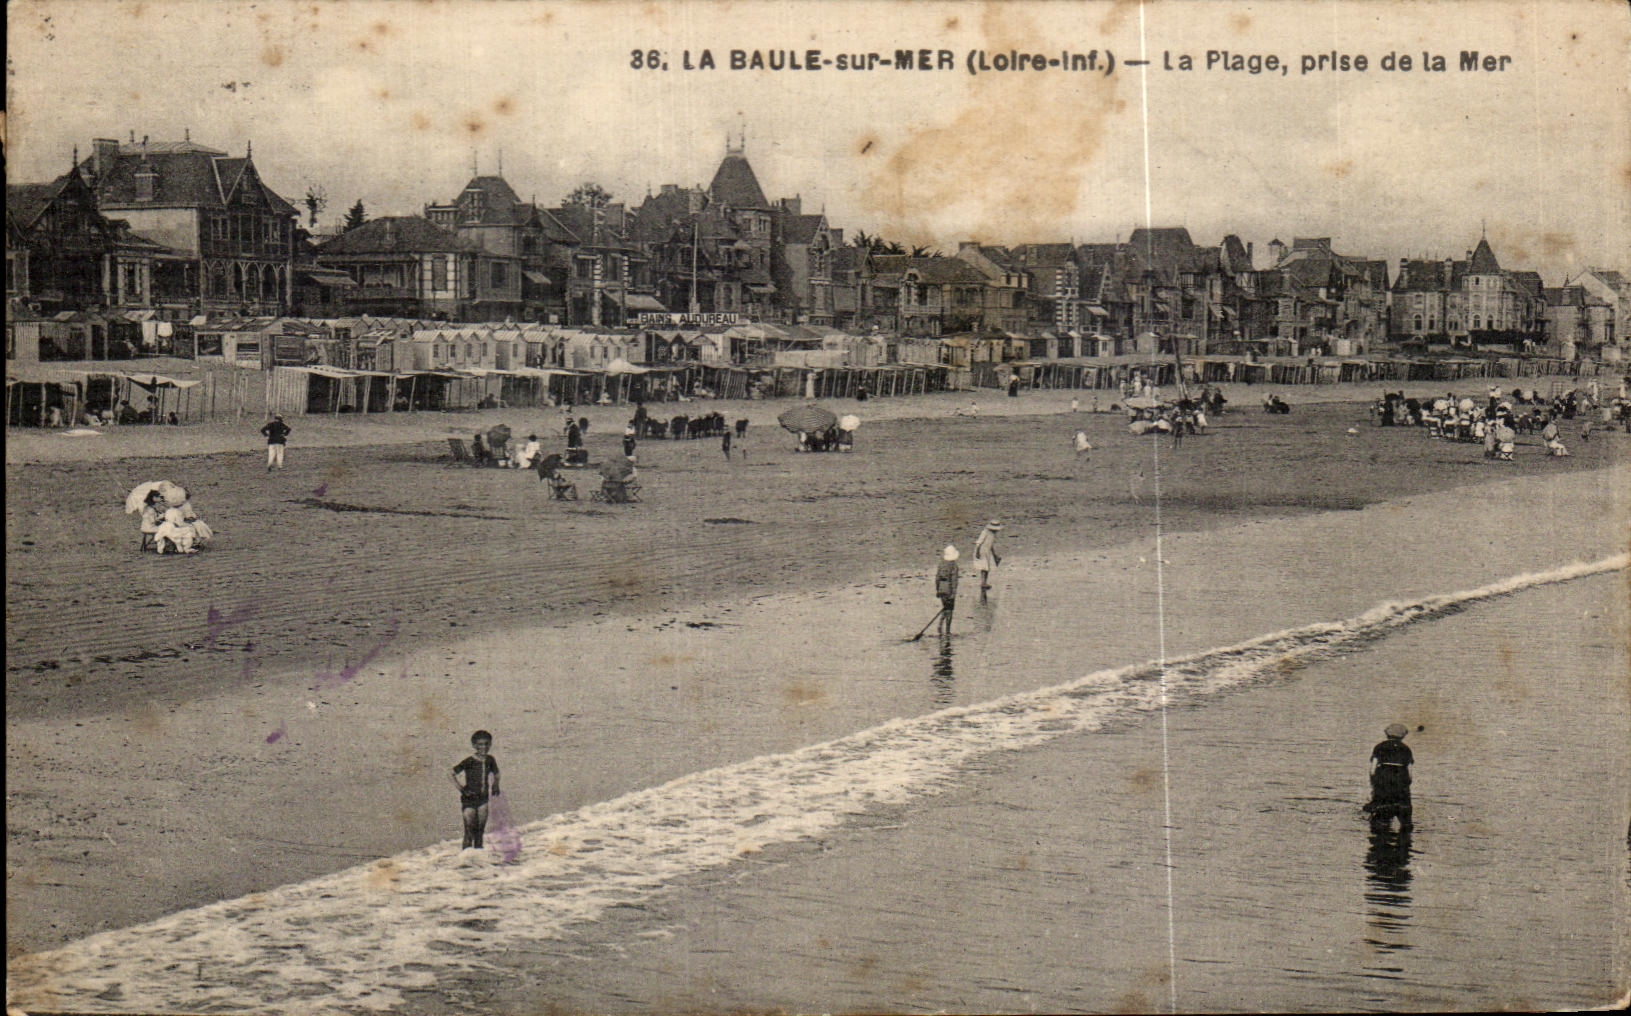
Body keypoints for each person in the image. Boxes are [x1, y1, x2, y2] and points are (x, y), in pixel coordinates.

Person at [450, 730, 500, 850]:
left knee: (480, 832)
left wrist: (496, 785)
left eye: (487, 744)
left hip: (483, 799)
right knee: (469, 831)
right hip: (469, 800)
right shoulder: (469, 761)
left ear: (490, 744)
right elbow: (451, 773)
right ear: (474, 745)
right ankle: (465, 861)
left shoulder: (490, 759)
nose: (484, 747)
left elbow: (497, 773)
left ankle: (478, 863)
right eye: (480, 744)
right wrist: (461, 789)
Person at [1365, 723, 1414, 832]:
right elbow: (1410, 776)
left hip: (1383, 786)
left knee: (1380, 823)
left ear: (1387, 734)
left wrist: (1373, 788)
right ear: (1403, 736)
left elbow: (1372, 771)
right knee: (1406, 824)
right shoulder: (1407, 749)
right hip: (1401, 789)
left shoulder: (1379, 747)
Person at [972, 521, 1002, 600]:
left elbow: (991, 545)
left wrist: (995, 554)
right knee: (984, 567)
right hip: (982, 550)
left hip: (987, 551)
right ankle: (983, 582)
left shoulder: (992, 534)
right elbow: (978, 543)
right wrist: (977, 552)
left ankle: (984, 582)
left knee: (987, 567)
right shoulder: (985, 532)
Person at [934, 545, 960, 635]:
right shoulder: (954, 566)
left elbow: (937, 578)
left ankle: (940, 625)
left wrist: (937, 590)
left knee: (945, 608)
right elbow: (954, 581)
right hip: (949, 589)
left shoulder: (941, 564)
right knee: (950, 610)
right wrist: (953, 593)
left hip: (941, 588)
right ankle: (947, 630)